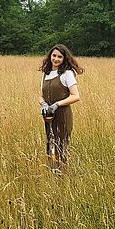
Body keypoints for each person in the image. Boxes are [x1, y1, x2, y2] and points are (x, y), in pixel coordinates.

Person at [38, 44, 83, 172]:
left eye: (59, 57)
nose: (56, 59)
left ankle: (63, 175)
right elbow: (40, 96)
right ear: (50, 56)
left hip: (63, 115)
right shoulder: (45, 73)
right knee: (50, 144)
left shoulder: (67, 73)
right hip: (48, 115)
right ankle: (53, 172)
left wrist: (57, 104)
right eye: (54, 55)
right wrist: (44, 104)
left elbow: (76, 96)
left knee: (61, 145)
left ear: (64, 59)